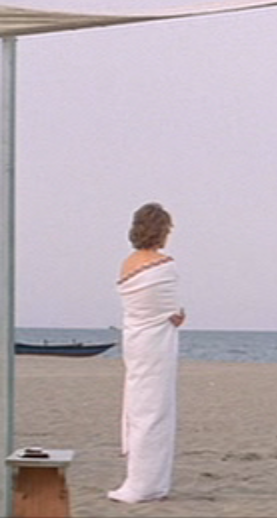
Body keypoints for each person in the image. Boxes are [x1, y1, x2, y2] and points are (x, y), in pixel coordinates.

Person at [109, 202, 185, 503]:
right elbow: (173, 312)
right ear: (162, 231)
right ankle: (147, 484)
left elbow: (142, 306)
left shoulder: (126, 264)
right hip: (157, 344)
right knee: (155, 409)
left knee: (138, 405)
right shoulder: (166, 265)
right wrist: (176, 316)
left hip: (135, 341)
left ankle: (141, 480)